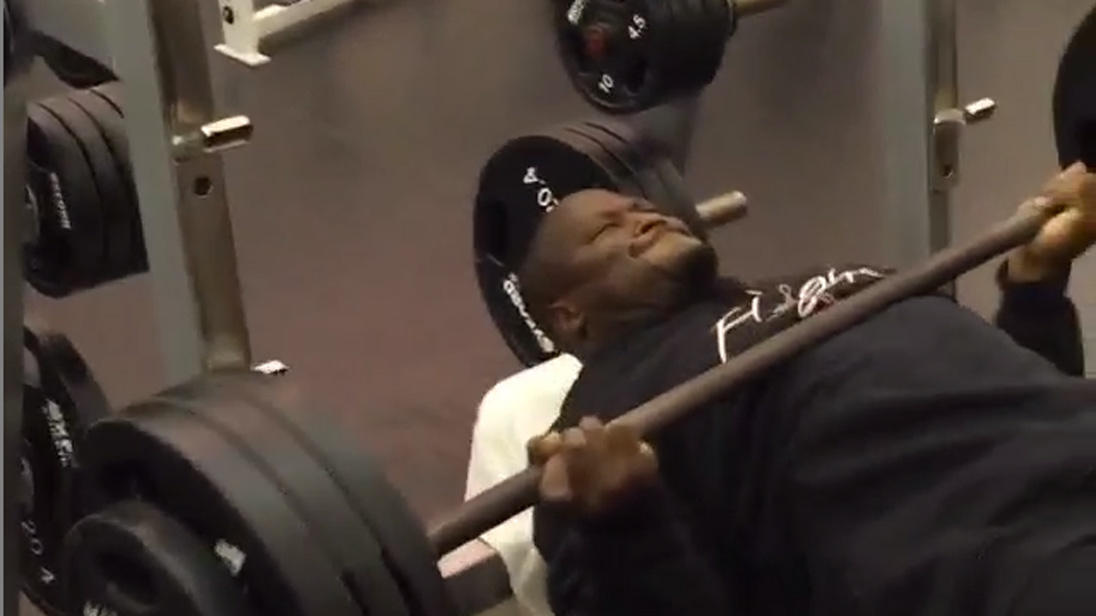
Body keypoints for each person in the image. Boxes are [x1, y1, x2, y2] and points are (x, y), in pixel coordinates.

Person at [465, 167, 1087, 616]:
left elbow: (1011, 397)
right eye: (607, 232)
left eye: (637, 207)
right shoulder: (602, 432)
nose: (644, 216)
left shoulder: (804, 287)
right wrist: (624, 526)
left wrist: (1035, 287)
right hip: (999, 560)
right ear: (570, 317)